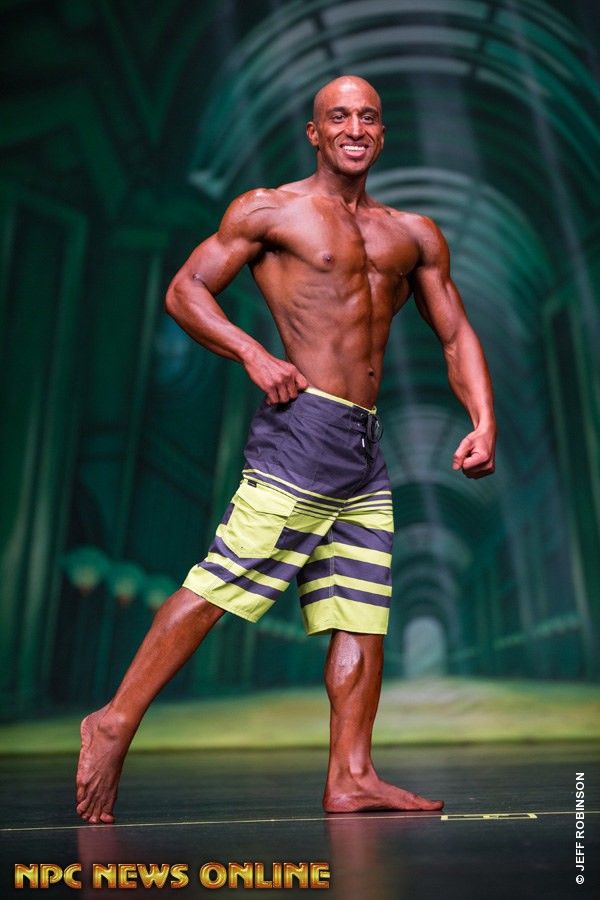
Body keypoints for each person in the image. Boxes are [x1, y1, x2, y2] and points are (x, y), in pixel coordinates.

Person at [76, 75, 495, 825]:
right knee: (223, 582)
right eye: (339, 116)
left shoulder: (414, 233)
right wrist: (252, 353)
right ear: (315, 132)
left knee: (360, 611)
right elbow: (185, 290)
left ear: (383, 132)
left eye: (368, 117)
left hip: (364, 446)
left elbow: (455, 332)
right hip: (302, 431)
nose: (355, 128)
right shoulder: (269, 210)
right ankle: (113, 720)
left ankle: (352, 774)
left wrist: (483, 420)